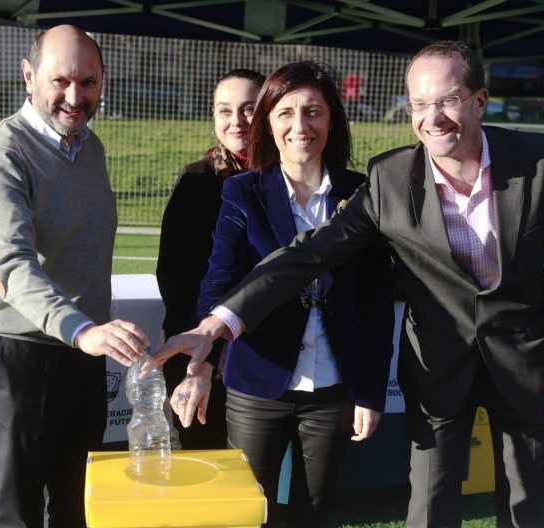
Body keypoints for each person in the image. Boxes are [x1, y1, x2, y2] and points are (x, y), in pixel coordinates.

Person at [157, 41, 544, 527]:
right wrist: (218, 324)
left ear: (479, 100)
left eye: (448, 100)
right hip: (437, 370)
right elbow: (308, 253)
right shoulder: (389, 176)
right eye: (418, 104)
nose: (432, 118)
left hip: (528, 369)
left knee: (528, 510)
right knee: (429, 510)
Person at [163, 61, 394, 528]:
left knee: (313, 512)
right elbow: (219, 280)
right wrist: (202, 360)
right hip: (257, 384)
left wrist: (370, 393)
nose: (300, 125)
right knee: (250, 511)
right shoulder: (242, 192)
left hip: (332, 390)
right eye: (285, 112)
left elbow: (375, 304)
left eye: (313, 111)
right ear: (269, 121)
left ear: (332, 119)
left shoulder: (362, 194)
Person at [0, 25, 150, 527]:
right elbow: (12, 268)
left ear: (103, 82)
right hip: (20, 351)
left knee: (76, 497)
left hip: (81, 348)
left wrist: (87, 334)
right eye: (61, 80)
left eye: (88, 82)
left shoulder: (91, 148)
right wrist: (84, 330)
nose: (75, 96)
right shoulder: (0, 154)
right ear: (29, 76)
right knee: (16, 508)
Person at [156, 68, 265, 449]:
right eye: (225, 110)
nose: (236, 121)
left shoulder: (289, 180)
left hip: (265, 352)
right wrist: (209, 348)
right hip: (198, 352)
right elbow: (176, 277)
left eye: (249, 108)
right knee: (207, 461)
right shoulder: (196, 181)